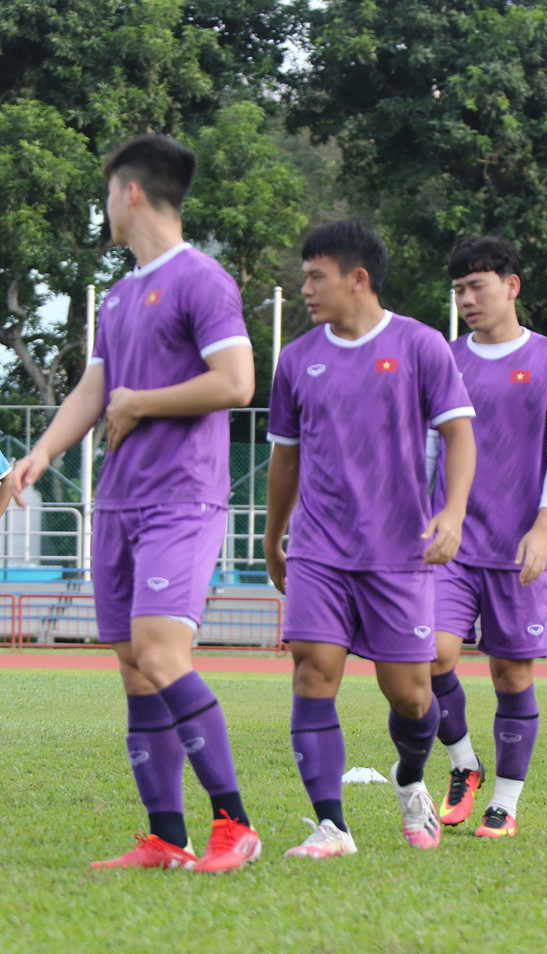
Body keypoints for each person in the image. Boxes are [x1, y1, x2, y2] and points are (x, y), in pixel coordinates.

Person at [11, 134, 260, 871]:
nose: (105, 206)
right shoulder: (119, 294)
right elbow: (96, 388)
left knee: (159, 653)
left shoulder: (202, 279)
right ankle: (165, 836)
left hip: (181, 500)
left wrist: (143, 402)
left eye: (107, 192)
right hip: (118, 502)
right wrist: (43, 452)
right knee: (132, 665)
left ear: (133, 193)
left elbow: (237, 382)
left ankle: (233, 824)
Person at [263, 220, 476, 856]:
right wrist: (275, 536)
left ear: (357, 278)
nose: (305, 288)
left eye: (315, 275)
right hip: (319, 550)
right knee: (312, 672)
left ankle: (411, 780)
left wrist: (455, 512)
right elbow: (284, 459)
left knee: (412, 696)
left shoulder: (420, 345)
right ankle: (332, 824)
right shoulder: (297, 359)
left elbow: (460, 434)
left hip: (399, 555)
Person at [428, 236, 547, 837]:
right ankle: (464, 764)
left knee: (511, 677)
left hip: (519, 545)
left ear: (512, 286)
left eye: (478, 286)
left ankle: (506, 802)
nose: (467, 299)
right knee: (430, 656)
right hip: (451, 542)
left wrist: (544, 527)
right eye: (459, 290)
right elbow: (424, 446)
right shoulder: (443, 358)